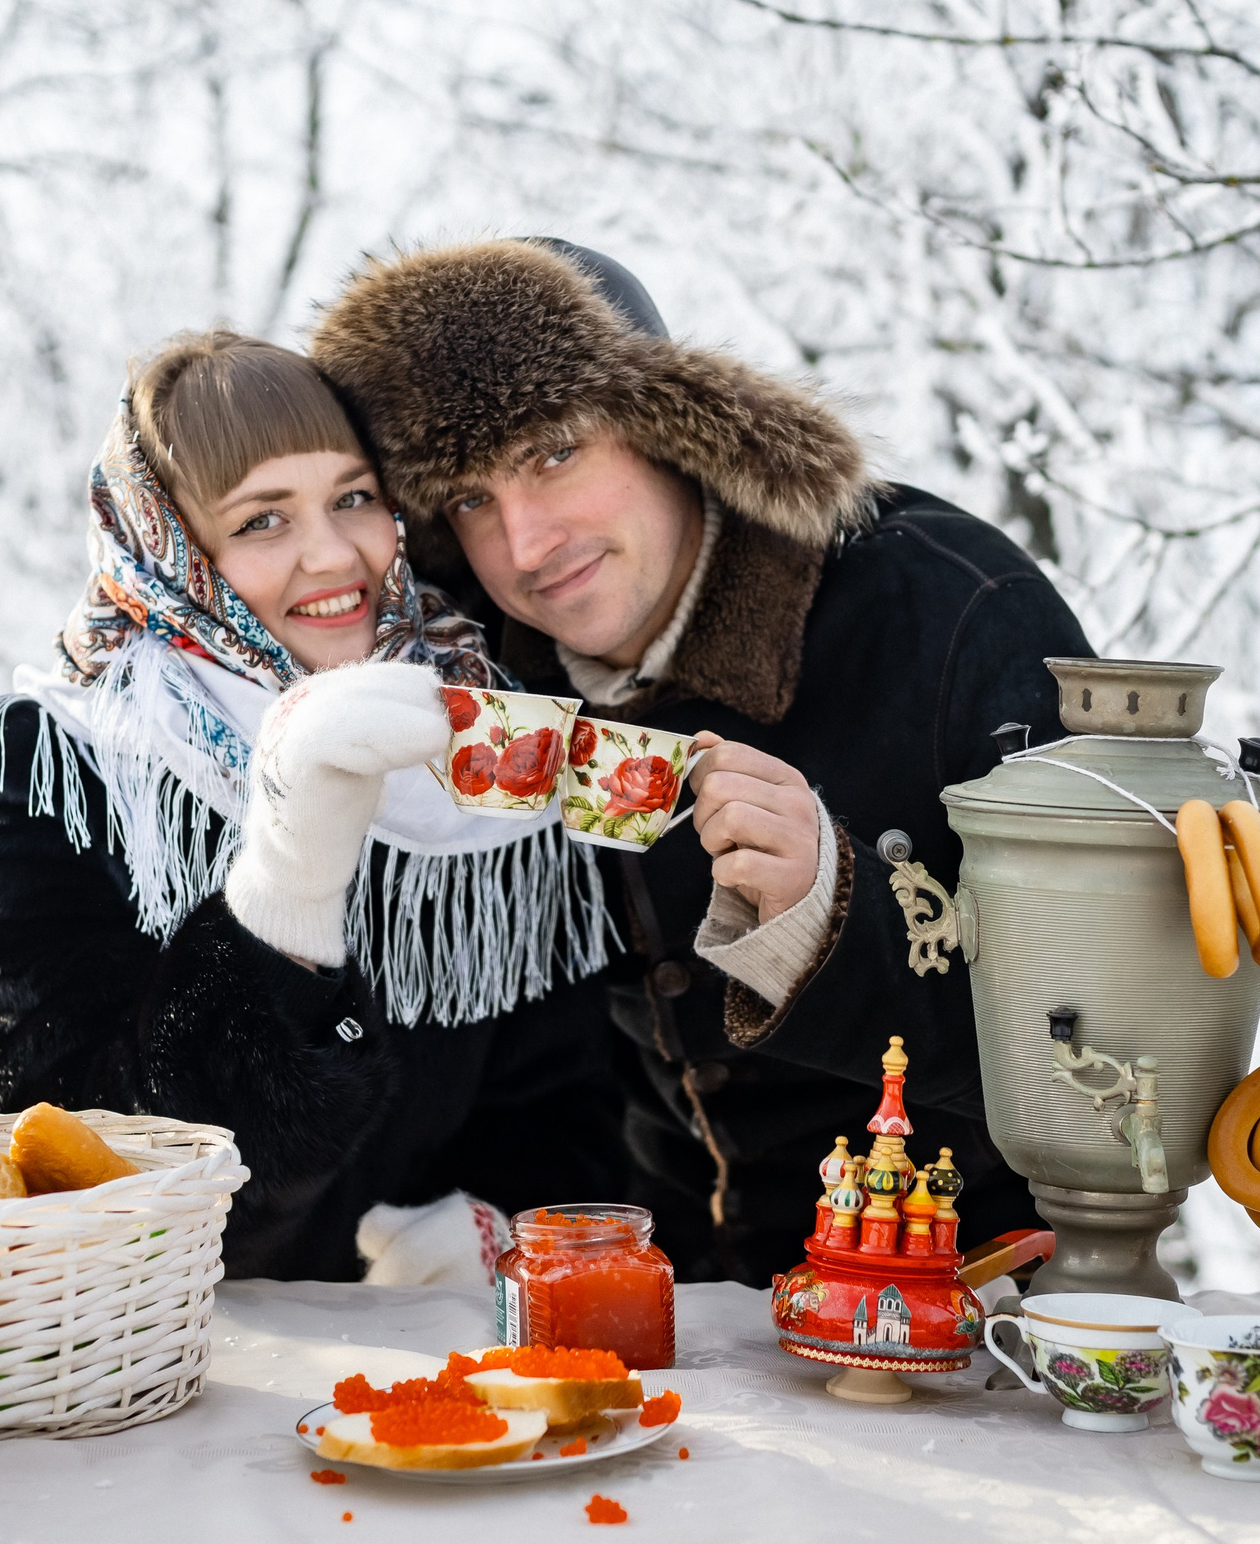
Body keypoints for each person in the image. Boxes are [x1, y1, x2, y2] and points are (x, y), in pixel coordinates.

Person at [311, 239, 1095, 1283]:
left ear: (666, 423)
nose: (527, 545)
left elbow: (1108, 1067)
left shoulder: (952, 610)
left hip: (973, 1287)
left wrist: (830, 919)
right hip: (670, 1301)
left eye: (554, 452)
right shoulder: (477, 685)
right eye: (469, 500)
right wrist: (487, 1216)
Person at [0, 331, 621, 1281]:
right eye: (261, 520)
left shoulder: (477, 732)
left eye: (353, 498)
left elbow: (563, 1099)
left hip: (438, 1351)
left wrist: (481, 1226)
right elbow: (81, 1174)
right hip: (161, 1351)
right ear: (170, 549)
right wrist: (287, 883)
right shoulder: (56, 761)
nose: (334, 555)